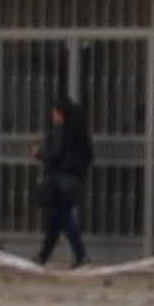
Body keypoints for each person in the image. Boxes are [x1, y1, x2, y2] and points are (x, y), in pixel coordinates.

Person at [34, 97, 95, 269]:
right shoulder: (80, 132)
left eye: (54, 112)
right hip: (73, 181)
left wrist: (40, 154)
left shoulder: (62, 131)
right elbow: (88, 156)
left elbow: (57, 155)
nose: (52, 115)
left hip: (60, 182)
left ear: (61, 114)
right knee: (56, 218)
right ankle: (42, 257)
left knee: (64, 218)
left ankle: (81, 256)